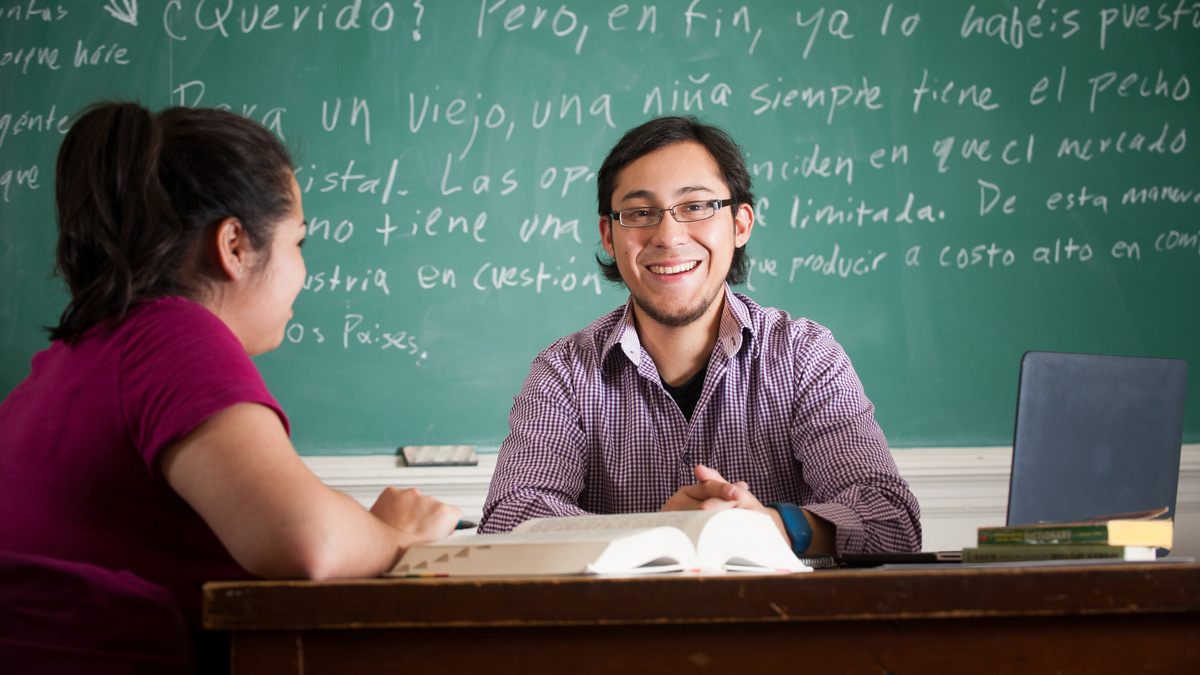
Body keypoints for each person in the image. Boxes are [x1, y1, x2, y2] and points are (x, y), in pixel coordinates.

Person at [0, 102, 461, 672]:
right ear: (235, 246)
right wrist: (396, 536)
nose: (303, 271)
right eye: (299, 243)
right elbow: (305, 541)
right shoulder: (173, 335)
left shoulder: (69, 358)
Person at [479, 116, 921, 555]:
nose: (669, 237)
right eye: (639, 213)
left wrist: (771, 527)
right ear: (609, 236)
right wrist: (659, 534)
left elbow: (891, 521)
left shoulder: (803, 356)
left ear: (740, 224)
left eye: (695, 207)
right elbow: (508, 519)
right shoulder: (565, 372)